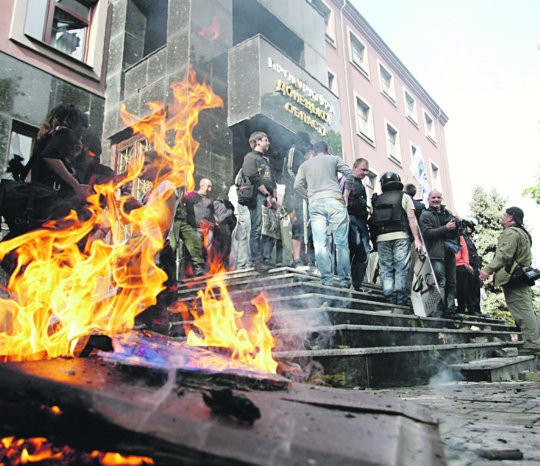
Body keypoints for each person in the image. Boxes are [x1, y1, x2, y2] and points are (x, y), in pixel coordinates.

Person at [480, 207, 540, 355]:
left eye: (505, 215)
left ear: (511, 218)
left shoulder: (511, 233)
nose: (503, 217)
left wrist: (487, 270)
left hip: (514, 279)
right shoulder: (523, 233)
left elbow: (503, 255)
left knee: (522, 312)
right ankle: (534, 342)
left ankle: (533, 344)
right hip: (521, 277)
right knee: (527, 310)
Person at [294, 141, 353, 288]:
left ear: (314, 151)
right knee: (341, 243)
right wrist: (345, 194)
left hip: (315, 203)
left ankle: (326, 279)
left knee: (320, 243)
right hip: (335, 199)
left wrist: (309, 197)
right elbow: (349, 174)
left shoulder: (305, 165)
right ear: (327, 150)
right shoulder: (334, 159)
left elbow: (297, 185)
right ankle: (345, 281)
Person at [135, 150, 179, 334]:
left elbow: (166, 220)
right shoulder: (148, 193)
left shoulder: (166, 186)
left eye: (146, 164)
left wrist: (138, 209)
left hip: (158, 250)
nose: (141, 169)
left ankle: (159, 338)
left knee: (157, 301)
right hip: (144, 249)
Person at [369, 172, 422, 305]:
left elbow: (372, 220)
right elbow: (411, 217)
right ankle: (401, 299)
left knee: (386, 268)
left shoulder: (376, 199)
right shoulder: (404, 197)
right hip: (401, 236)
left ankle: (389, 297)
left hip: (381, 238)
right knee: (401, 268)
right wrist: (417, 238)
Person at [30, 104, 89, 203]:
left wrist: (73, 154)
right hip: (49, 202)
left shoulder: (49, 136)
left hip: (38, 196)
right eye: (82, 128)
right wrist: (76, 185)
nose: (81, 134)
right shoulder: (67, 133)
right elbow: (49, 157)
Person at [419, 190, 461, 319]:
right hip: (436, 254)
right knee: (440, 283)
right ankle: (439, 310)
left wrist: (457, 225)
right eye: (433, 198)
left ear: (441, 199)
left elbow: (456, 233)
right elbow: (427, 234)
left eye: (438, 197)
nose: (436, 200)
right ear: (428, 199)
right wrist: (446, 228)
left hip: (449, 252)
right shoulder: (425, 215)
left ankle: (450, 309)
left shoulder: (448, 214)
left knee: (452, 282)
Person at [242, 132, 278, 272]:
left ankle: (266, 259)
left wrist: (274, 197)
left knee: (270, 229)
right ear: (257, 141)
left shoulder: (266, 160)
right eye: (266, 140)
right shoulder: (250, 158)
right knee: (257, 228)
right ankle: (256, 260)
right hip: (258, 196)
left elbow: (272, 180)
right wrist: (267, 194)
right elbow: (253, 177)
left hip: (269, 197)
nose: (268, 142)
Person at [282, 132, 312, 270]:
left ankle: (306, 259)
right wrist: (299, 186)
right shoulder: (293, 151)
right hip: (294, 196)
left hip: (304, 197)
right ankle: (296, 259)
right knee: (298, 226)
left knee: (306, 227)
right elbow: (288, 171)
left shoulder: (304, 157)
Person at [342, 158, 370, 291]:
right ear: (354, 167)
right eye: (362, 169)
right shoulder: (348, 180)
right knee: (354, 248)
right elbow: (342, 198)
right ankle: (347, 281)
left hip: (361, 221)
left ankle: (356, 283)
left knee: (363, 253)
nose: (365, 173)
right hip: (351, 219)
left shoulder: (360, 184)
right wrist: (345, 215)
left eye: (366, 171)